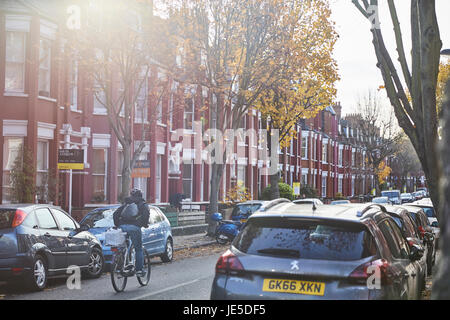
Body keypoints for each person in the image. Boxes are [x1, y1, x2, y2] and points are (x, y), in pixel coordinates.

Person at [113, 188, 150, 277]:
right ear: (141, 196)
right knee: (138, 248)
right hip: (134, 227)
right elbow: (145, 216)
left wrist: (118, 224)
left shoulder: (126, 204)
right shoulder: (143, 205)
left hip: (122, 227)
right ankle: (139, 270)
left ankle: (120, 265)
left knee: (122, 246)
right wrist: (144, 224)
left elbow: (115, 214)